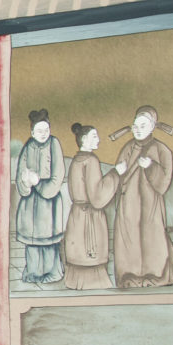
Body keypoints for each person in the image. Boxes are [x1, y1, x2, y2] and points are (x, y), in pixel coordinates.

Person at [111, 105, 173, 289]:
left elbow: (164, 182)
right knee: (129, 237)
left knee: (152, 236)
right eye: (135, 126)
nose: (138, 130)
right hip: (129, 203)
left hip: (151, 204)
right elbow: (119, 174)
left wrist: (151, 166)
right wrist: (121, 173)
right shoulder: (127, 148)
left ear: (152, 127)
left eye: (143, 126)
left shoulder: (162, 150)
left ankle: (155, 275)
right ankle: (129, 275)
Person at [14, 109, 67, 284]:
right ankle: (33, 272)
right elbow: (21, 171)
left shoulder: (54, 144)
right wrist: (26, 184)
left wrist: (40, 184)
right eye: (39, 131)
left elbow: (58, 174)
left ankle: (53, 272)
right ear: (32, 132)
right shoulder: (28, 146)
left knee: (49, 242)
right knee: (32, 241)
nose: (43, 134)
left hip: (48, 202)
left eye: (46, 130)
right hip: (30, 202)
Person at [63, 122, 118, 290]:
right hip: (90, 216)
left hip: (77, 215)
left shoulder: (77, 159)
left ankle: (75, 283)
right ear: (85, 139)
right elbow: (97, 196)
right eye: (95, 136)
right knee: (90, 253)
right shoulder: (91, 160)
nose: (99, 140)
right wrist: (116, 174)